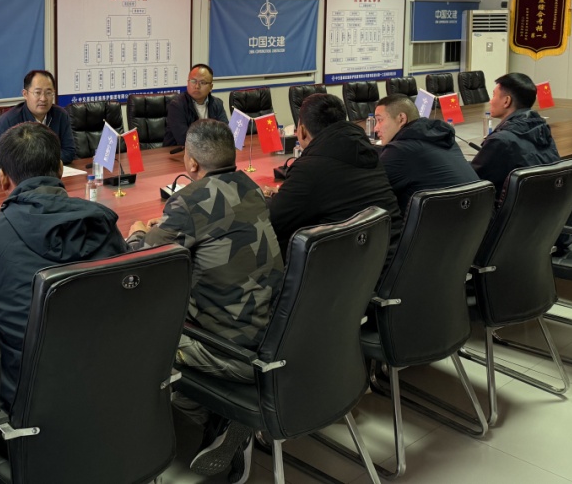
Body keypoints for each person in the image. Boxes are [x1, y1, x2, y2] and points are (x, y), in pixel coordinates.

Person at [127, 120, 284, 484]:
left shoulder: (189, 200)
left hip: (230, 352)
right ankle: (219, 420)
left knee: (140, 337)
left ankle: (216, 420)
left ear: (191, 162)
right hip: (274, 337)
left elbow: (142, 262)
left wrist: (138, 232)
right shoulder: (251, 187)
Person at [0, 121, 126, 410]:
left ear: (3, 178)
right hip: (110, 386)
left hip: (31, 402)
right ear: (60, 169)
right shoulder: (101, 220)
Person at [265, 93, 402, 266]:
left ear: (302, 130)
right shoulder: (369, 152)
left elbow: (273, 221)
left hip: (347, 272)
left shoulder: (310, 168)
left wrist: (267, 199)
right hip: (391, 260)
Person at [375, 93, 479, 214]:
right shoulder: (445, 139)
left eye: (380, 120)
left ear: (401, 119)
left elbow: (372, 192)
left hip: (438, 223)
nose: (375, 128)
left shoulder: (399, 151)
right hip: (476, 220)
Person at [470, 72, 561, 199]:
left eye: (494, 95)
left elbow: (471, 180)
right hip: (543, 206)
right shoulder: (542, 128)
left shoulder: (501, 140)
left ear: (506, 101)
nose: (490, 101)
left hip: (507, 209)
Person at [0, 69, 76, 166]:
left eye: (48, 93)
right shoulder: (8, 120)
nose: (43, 98)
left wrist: (39, 162)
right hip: (22, 174)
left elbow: (69, 152)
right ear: (25, 94)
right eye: (37, 93)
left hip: (52, 173)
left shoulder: (61, 115)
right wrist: (39, 163)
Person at [165, 63, 229, 147]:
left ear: (211, 87)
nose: (197, 86)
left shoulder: (217, 103)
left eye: (202, 82)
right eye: (193, 81)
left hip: (211, 151)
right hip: (179, 151)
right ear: (188, 83)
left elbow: (225, 132)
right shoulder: (177, 105)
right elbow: (184, 138)